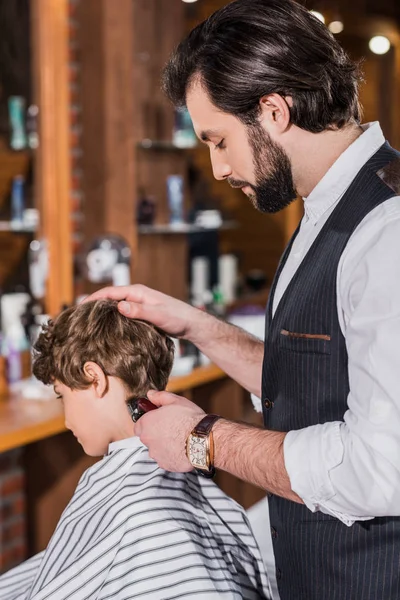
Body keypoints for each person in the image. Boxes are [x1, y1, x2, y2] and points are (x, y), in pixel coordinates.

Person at [87, 0, 400, 599]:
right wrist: (198, 326)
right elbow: (320, 382)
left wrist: (203, 437)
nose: (219, 167)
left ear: (273, 111)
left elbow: (382, 466)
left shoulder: (385, 230)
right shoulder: (326, 213)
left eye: (219, 139)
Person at [0, 299, 271, 600]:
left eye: (62, 396)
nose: (66, 420)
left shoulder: (139, 515)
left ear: (95, 378)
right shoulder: (177, 486)